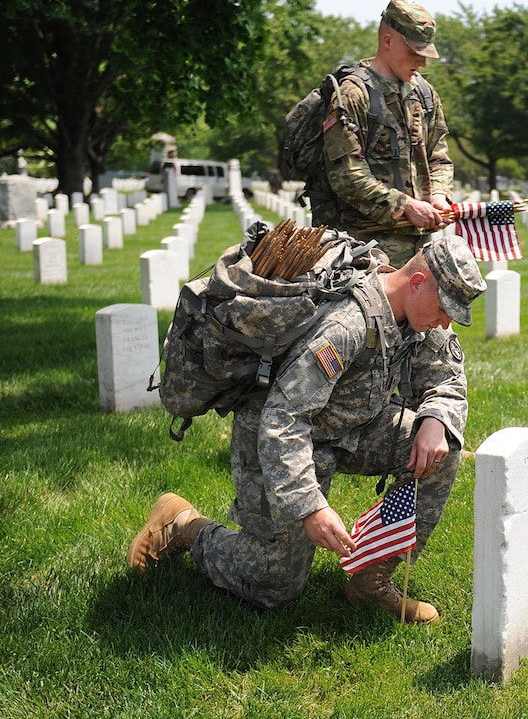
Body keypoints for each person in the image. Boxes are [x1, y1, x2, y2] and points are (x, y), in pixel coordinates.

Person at [127, 236, 486, 624]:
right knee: (274, 587)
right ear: (417, 281)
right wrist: (309, 506)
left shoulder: (419, 317)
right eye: (445, 308)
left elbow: (447, 379)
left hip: (351, 428)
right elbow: (283, 419)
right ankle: (184, 525)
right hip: (280, 439)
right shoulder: (348, 325)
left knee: (441, 447)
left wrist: (436, 418)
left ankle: (371, 579)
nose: (446, 321)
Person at [309, 0, 454, 268]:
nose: (422, 63)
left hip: (417, 247)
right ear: (388, 41)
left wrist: (439, 194)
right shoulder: (354, 94)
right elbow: (346, 175)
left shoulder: (423, 93)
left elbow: (438, 155)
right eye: (414, 51)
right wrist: (406, 206)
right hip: (361, 252)